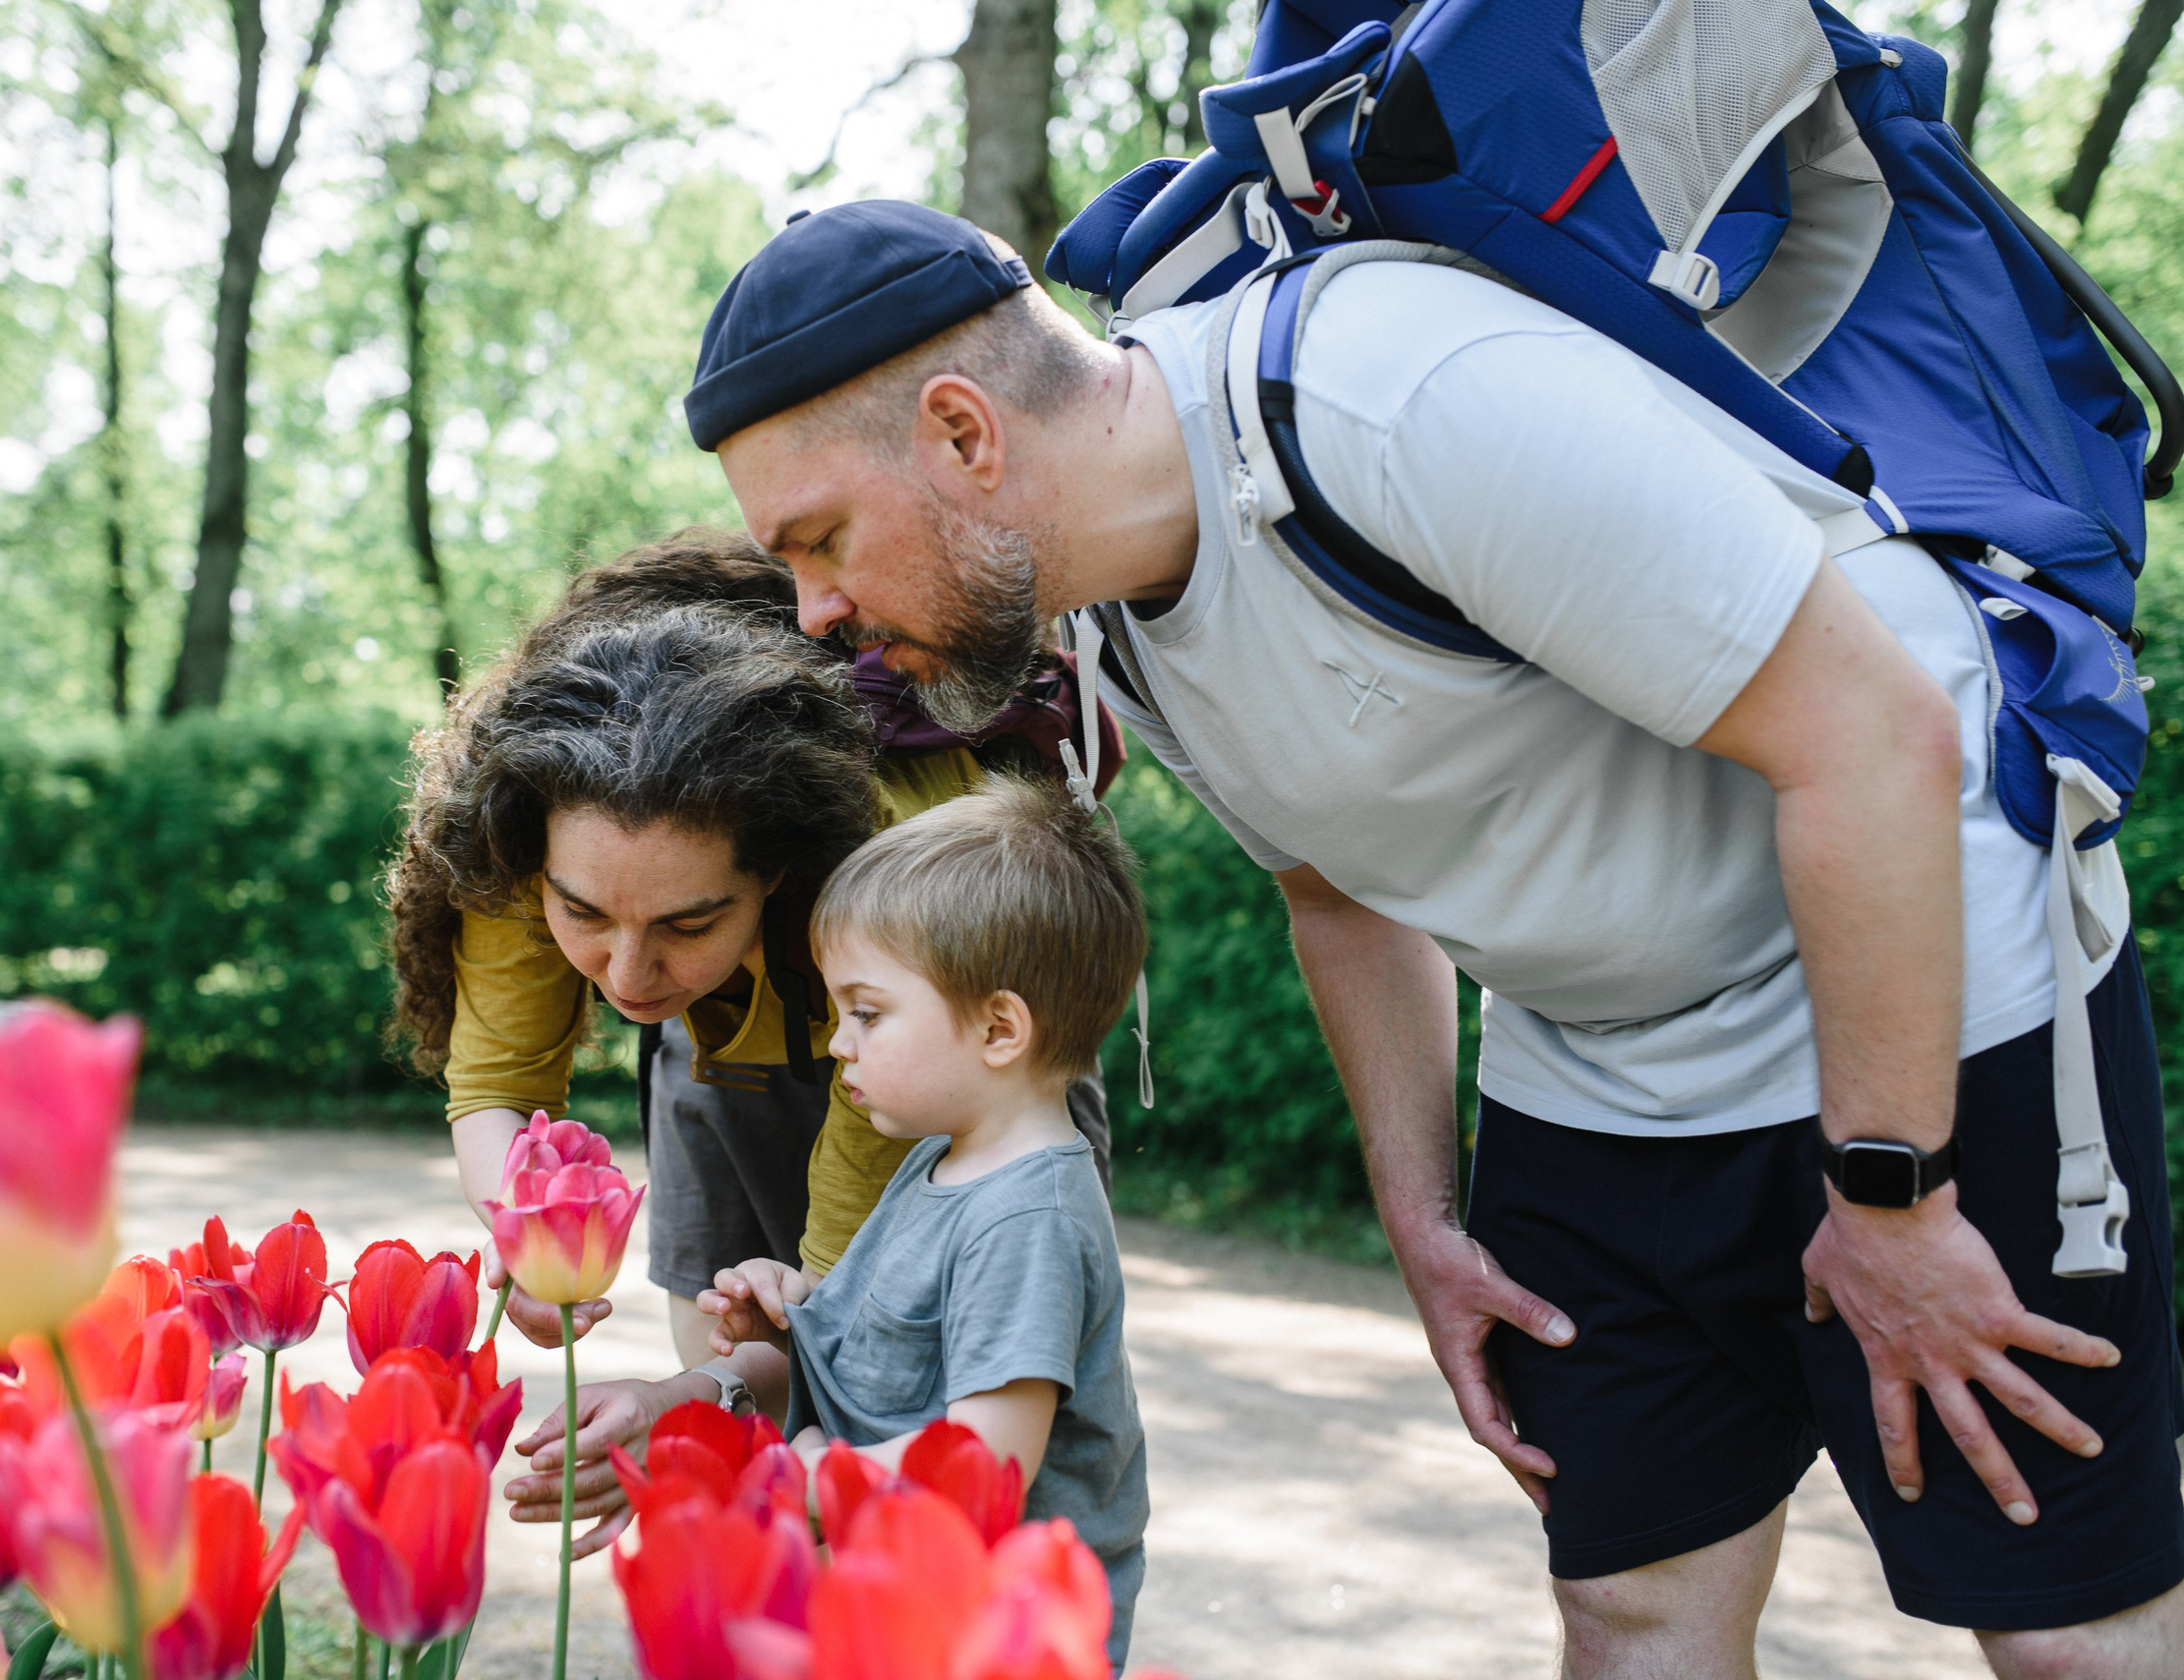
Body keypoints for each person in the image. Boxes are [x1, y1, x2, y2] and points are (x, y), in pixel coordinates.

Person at [679, 200, 2184, 1676]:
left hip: (1932, 982)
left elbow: (1877, 740)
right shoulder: (1106, 622)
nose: (812, 610)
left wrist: (1895, 1195)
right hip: (1595, 1064)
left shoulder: (1390, 396)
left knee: (2064, 1624)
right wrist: (1424, 1218)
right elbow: (1338, 892)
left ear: (963, 431)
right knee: (1632, 1609)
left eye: (820, 541)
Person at [385, 529, 1117, 1364]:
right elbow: (495, 1085)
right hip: (730, 1041)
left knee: (933, 1387)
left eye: (686, 923)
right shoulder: (522, 815)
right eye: (583, 914)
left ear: (775, 871)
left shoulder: (885, 861)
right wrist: (535, 1238)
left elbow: (832, 1307)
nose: (628, 977)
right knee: (724, 1412)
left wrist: (798, 1327)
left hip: (952, 1059)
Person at [512, 775, 1152, 1665]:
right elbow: (878, 1370)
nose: (836, 1041)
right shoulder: (940, 1163)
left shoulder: (1026, 1218)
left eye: (866, 1012)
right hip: (902, 1608)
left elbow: (984, 1464)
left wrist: (801, 1475)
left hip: (994, 1634)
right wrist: (793, 1316)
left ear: (1001, 1027)